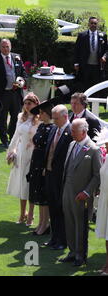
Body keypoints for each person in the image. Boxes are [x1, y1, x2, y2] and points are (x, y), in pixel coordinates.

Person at [60, 118, 101, 267]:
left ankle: (80, 256)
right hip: (68, 192)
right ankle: (72, 252)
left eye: (74, 131)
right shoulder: (72, 144)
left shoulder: (93, 149)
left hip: (81, 196)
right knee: (69, 223)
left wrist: (87, 192)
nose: (71, 134)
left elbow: (98, 175)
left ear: (84, 132)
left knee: (80, 226)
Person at [6, 92, 40, 226]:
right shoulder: (21, 117)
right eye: (25, 103)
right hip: (21, 153)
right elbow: (15, 135)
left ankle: (31, 214)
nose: (26, 106)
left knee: (30, 185)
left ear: (35, 104)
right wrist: (11, 151)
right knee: (21, 184)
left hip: (32, 153)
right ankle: (22, 213)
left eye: (29, 103)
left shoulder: (39, 119)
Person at [43, 104, 73, 251]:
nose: (53, 121)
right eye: (53, 118)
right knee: (53, 208)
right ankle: (54, 238)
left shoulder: (71, 132)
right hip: (49, 175)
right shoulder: (54, 129)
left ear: (65, 116)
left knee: (61, 210)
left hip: (61, 178)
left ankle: (63, 241)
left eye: (56, 118)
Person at [0, 39, 27, 148]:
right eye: (3, 47)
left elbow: (23, 73)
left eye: (7, 46)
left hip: (15, 93)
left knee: (16, 117)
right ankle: (4, 140)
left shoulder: (17, 57)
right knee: (2, 118)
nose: (5, 49)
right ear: (0, 48)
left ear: (10, 47)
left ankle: (12, 135)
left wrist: (21, 82)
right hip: (2, 94)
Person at [27, 101, 54, 235]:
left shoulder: (52, 128)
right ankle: (41, 223)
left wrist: (45, 166)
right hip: (36, 162)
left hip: (43, 163)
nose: (40, 115)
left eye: (42, 112)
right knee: (38, 193)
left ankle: (45, 224)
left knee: (44, 196)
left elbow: (50, 149)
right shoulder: (42, 126)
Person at [74, 17, 107, 93]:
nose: (93, 25)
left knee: (96, 86)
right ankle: (84, 102)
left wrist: (104, 56)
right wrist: (76, 63)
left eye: (95, 23)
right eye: (91, 23)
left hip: (97, 66)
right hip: (85, 65)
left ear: (97, 25)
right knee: (85, 85)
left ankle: (94, 103)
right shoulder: (82, 35)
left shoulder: (103, 35)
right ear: (88, 24)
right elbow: (76, 50)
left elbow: (106, 50)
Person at [94, 128, 108, 275]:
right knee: (106, 233)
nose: (106, 146)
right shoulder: (107, 157)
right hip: (105, 199)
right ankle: (106, 263)